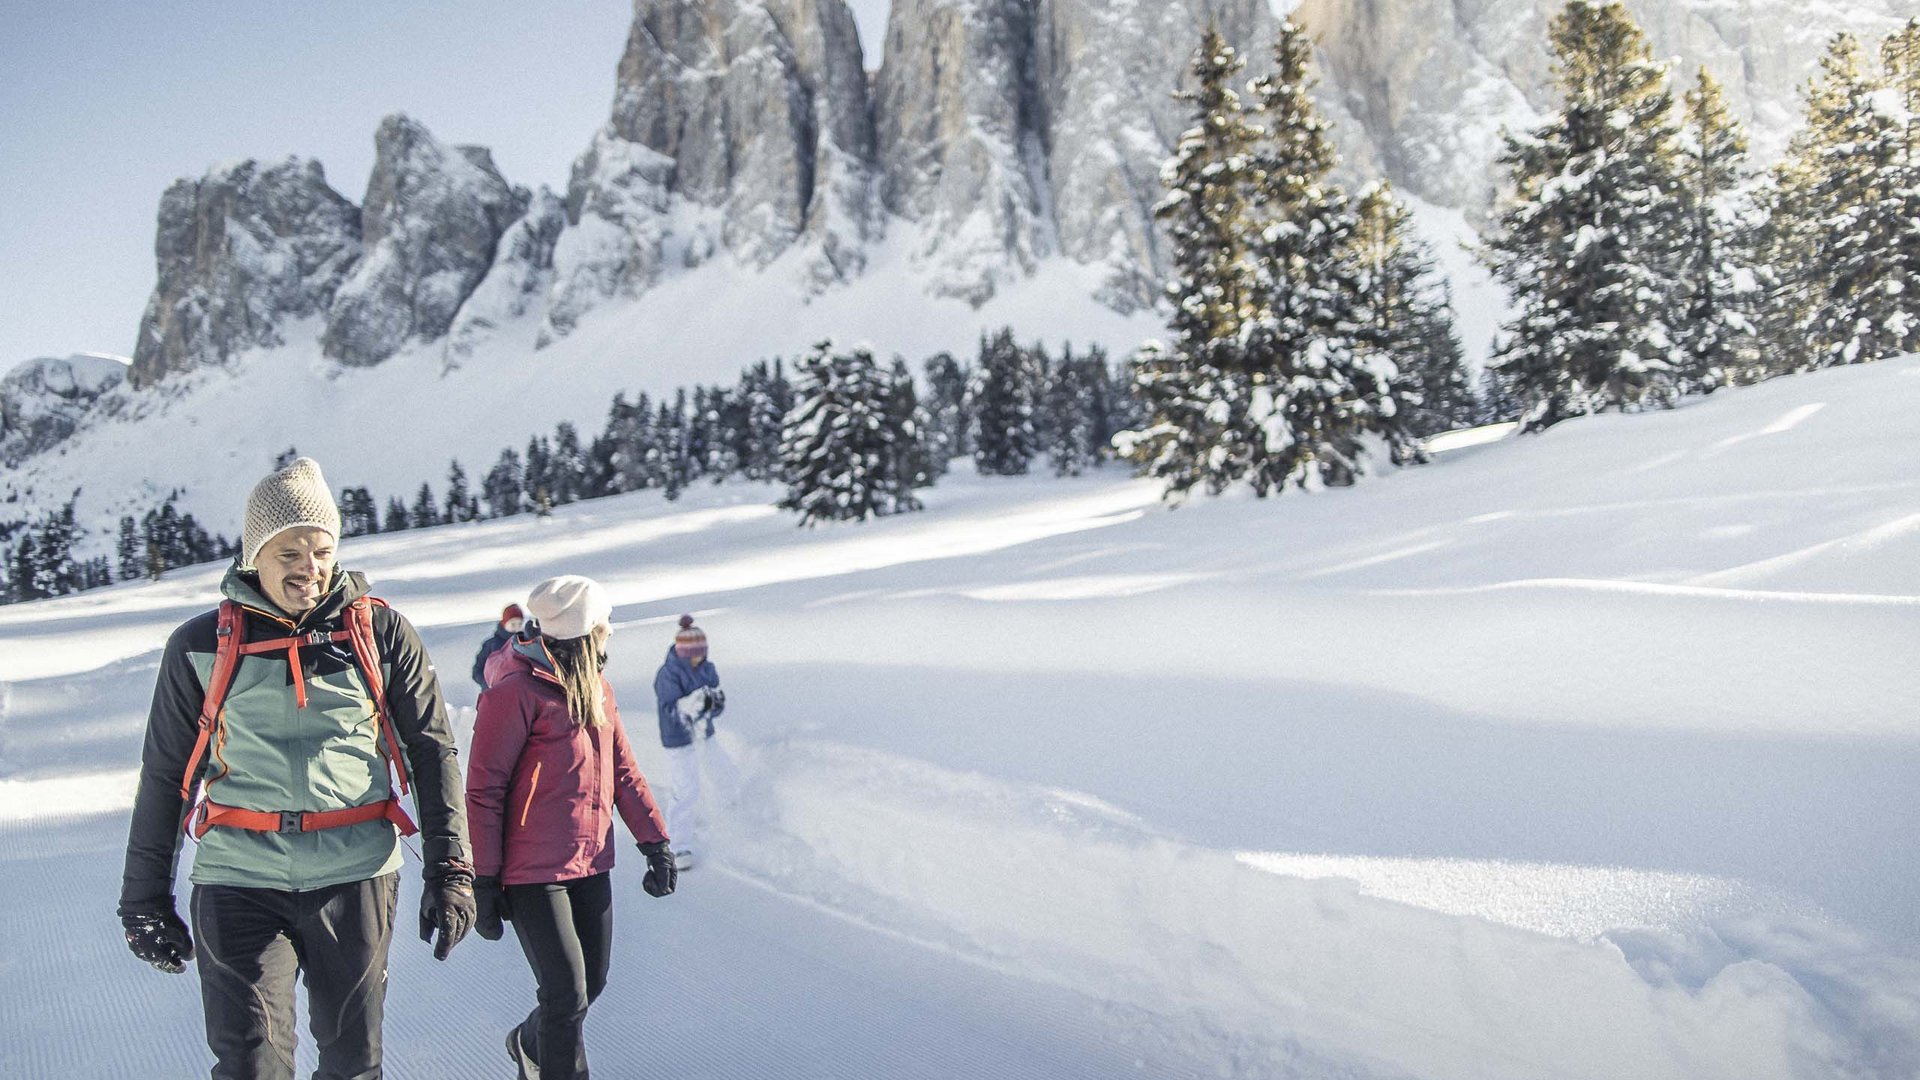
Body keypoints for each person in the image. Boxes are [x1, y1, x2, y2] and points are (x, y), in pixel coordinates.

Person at [117, 456, 475, 1080]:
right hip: (240, 876)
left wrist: (452, 869)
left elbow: (431, 751)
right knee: (251, 1064)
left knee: (352, 1064)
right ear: (256, 554)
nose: (309, 570)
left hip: (355, 872)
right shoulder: (200, 645)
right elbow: (166, 776)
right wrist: (144, 897)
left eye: (322, 551)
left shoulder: (380, 634)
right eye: (291, 554)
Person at [466, 574, 678, 1080]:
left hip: (590, 860)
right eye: (605, 625)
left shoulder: (598, 690)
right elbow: (484, 790)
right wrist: (486, 879)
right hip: (531, 870)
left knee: (591, 984)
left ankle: (527, 1041)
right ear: (590, 632)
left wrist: (655, 841)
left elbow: (622, 771)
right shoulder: (515, 693)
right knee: (565, 995)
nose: (610, 633)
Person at [653, 614, 739, 870]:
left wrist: (714, 705)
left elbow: (713, 701)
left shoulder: (707, 668)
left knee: (724, 771)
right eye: (696, 654)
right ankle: (678, 846)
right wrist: (690, 707)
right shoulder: (668, 674)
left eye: (703, 653)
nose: (700, 658)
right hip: (679, 740)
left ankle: (732, 816)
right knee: (686, 789)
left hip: (704, 733)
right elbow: (670, 709)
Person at [473, 602, 527, 690]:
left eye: (520, 624)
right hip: (495, 693)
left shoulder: (526, 644)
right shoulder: (491, 645)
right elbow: (477, 671)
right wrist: (488, 685)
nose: (517, 628)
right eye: (513, 624)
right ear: (504, 624)